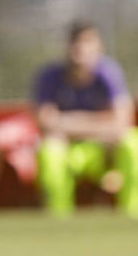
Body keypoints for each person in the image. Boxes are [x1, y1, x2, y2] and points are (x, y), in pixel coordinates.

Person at [31, 20, 138, 217]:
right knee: (49, 150)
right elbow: (45, 122)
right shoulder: (50, 76)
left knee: (133, 143)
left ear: (99, 47)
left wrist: (68, 121)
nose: (80, 48)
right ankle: (59, 221)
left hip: (105, 151)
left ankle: (132, 216)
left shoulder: (109, 74)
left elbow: (121, 124)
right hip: (70, 151)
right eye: (75, 42)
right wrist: (101, 123)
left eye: (87, 41)